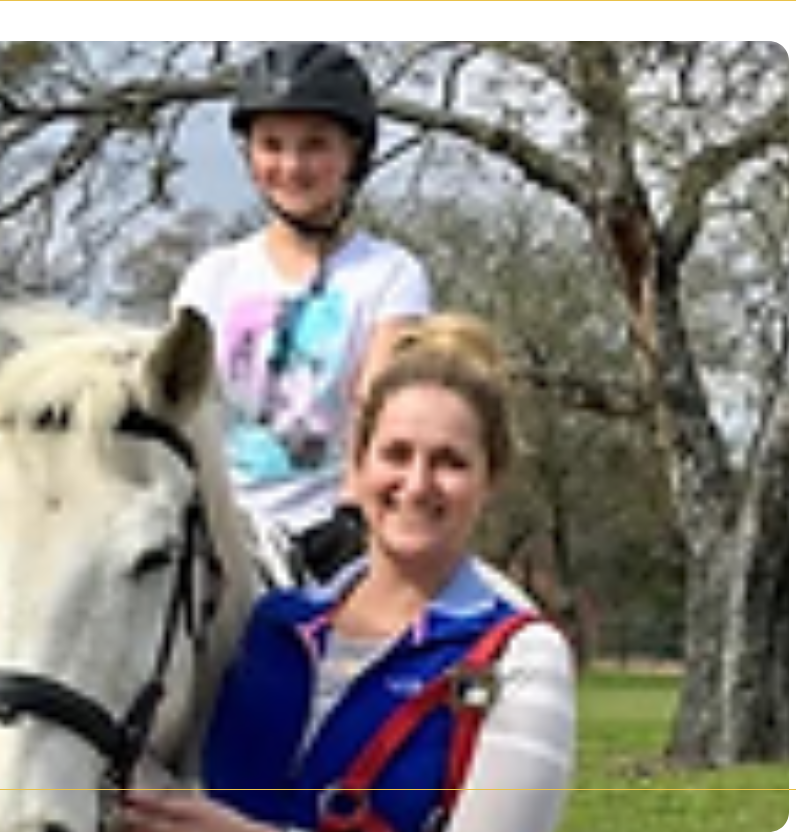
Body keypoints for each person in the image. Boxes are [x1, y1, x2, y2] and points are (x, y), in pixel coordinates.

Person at [122, 312, 577, 832]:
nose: (417, 483)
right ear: (357, 465)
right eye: (396, 454)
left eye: (450, 462)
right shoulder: (268, 624)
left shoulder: (519, 658)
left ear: (490, 480)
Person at [172, 42, 433, 584]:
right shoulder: (211, 278)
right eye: (272, 145)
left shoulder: (390, 275)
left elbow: (380, 406)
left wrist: (353, 510)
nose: (291, 165)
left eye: (314, 146)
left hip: (337, 538)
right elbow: (181, 412)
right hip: (223, 538)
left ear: (353, 154)